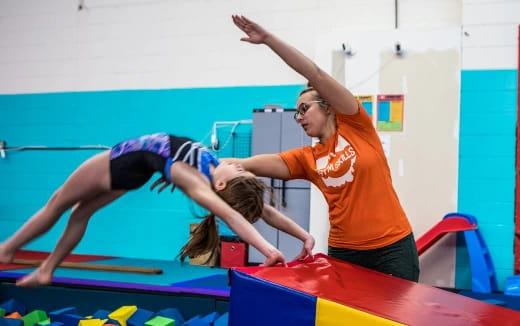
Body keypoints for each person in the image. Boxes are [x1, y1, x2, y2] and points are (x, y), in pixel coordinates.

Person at [229, 15, 419, 282]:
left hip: (391, 247)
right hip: (345, 251)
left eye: (304, 109)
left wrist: (269, 40)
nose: (300, 118)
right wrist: (195, 161)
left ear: (327, 105)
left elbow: (314, 74)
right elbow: (250, 162)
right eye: (297, 114)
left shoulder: (356, 126)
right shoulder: (308, 158)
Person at [0, 132, 314, 288]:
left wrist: (268, 249)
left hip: (118, 163)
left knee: (58, 203)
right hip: (135, 171)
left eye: (241, 174)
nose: (240, 168)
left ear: (221, 187)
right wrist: (304, 236)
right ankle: (47, 269)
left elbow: (233, 215)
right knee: (80, 214)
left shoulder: (198, 182)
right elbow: (264, 211)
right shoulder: (218, 168)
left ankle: (8, 249)